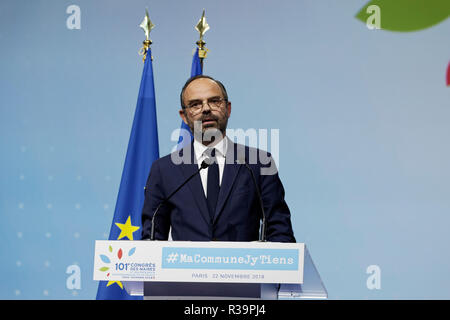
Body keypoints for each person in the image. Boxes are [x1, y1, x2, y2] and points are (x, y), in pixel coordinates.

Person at [141, 75, 295, 242]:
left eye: (214, 101)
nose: (206, 109)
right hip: (186, 267)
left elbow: (280, 233)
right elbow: (152, 240)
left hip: (244, 267)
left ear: (228, 109)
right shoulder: (164, 170)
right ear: (184, 116)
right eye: (195, 104)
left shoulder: (258, 164)